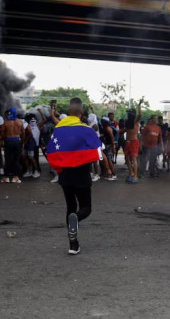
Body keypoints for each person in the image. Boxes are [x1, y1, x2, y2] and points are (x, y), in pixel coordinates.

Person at [47, 98, 103, 255]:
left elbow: (51, 151)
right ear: (81, 112)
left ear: (68, 111)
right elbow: (98, 153)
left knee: (70, 207)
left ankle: (73, 244)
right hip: (82, 175)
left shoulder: (58, 128)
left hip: (65, 176)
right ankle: (76, 219)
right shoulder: (86, 130)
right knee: (85, 208)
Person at [2, 108, 25, 184]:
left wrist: (3, 140)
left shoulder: (6, 123)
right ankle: (16, 178)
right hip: (17, 141)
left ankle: (6, 178)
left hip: (8, 141)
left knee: (8, 159)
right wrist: (22, 142)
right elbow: (23, 133)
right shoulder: (20, 122)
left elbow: (2, 134)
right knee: (17, 160)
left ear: (10, 113)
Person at [124, 100, 142, 183]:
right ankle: (131, 172)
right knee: (127, 158)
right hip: (127, 142)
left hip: (134, 141)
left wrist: (139, 105)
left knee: (134, 158)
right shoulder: (128, 122)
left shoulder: (136, 121)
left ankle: (135, 175)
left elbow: (140, 115)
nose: (128, 114)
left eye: (130, 113)